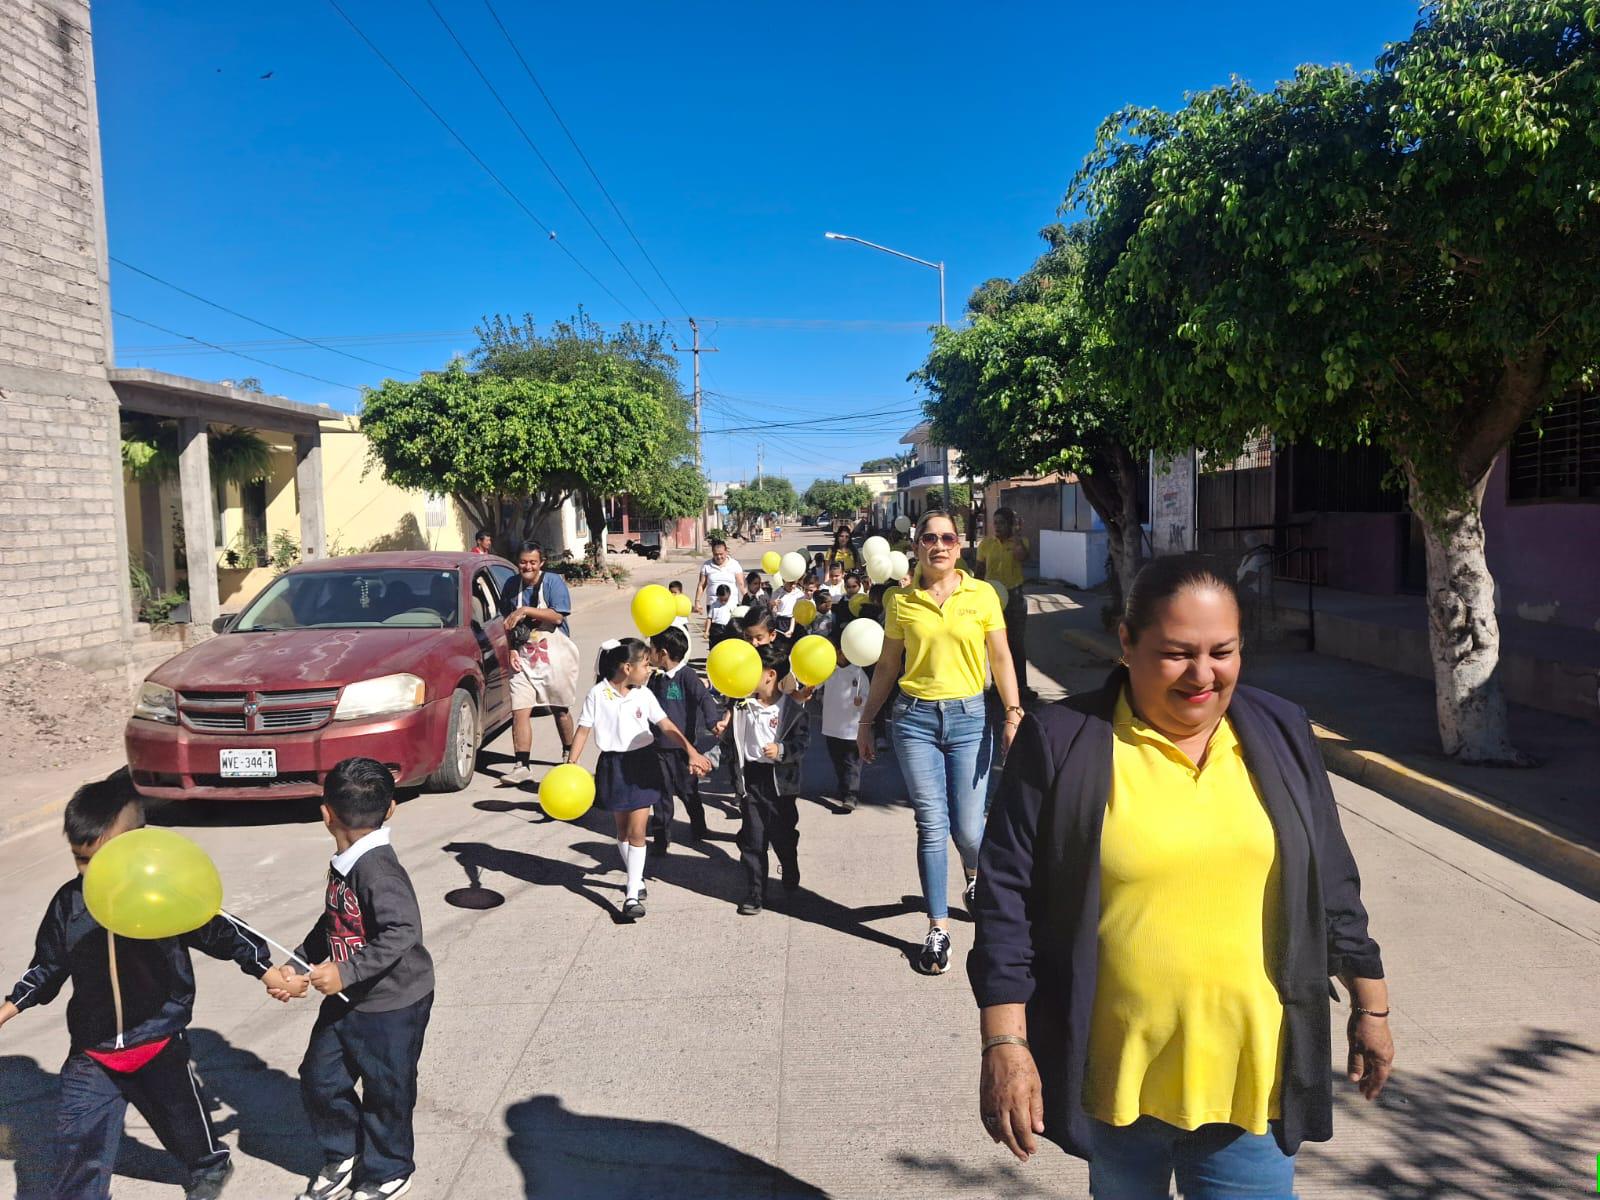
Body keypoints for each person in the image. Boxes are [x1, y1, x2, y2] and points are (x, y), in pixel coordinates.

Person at [970, 555, 1394, 1197]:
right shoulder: (1062, 740)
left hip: (1250, 1084)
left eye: (1222, 651)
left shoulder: (1279, 730)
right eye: (1176, 654)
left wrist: (1371, 1003)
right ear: (1126, 642)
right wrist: (1005, 1042)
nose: (1203, 675)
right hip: (1118, 1082)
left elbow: (1330, 877)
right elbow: (1007, 901)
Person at [0, 776, 275, 1200]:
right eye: (81, 860)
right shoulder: (69, 903)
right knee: (78, 1141)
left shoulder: (163, 894)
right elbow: (48, 964)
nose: (92, 873)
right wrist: (8, 1008)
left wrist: (263, 968)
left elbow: (218, 928)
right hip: (93, 1049)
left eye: (103, 860)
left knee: (180, 1118)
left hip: (157, 1037)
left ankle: (209, 1163)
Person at [858, 510, 1021, 976]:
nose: (939, 545)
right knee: (932, 825)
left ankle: (974, 875)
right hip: (914, 720)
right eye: (929, 538)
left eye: (947, 538)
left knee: (968, 830)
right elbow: (888, 665)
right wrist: (867, 720)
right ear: (916, 546)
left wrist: (1012, 714)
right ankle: (937, 928)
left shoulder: (982, 594)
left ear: (960, 545)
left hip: (970, 719)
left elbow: (1001, 658)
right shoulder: (901, 601)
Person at [264, 758, 435, 1200]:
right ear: (391, 808)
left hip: (393, 1004)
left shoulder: (377, 869)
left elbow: (403, 930)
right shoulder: (346, 863)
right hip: (347, 1001)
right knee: (319, 1077)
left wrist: (345, 971)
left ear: (326, 813)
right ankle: (344, 1152)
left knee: (387, 1091)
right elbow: (335, 920)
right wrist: (299, 963)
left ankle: (388, 1170)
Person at [566, 639, 712, 922]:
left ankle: (632, 893)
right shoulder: (598, 694)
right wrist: (570, 766)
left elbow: (666, 725)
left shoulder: (644, 694)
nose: (649, 669)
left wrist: (691, 751)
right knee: (622, 832)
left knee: (637, 832)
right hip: (613, 766)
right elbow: (583, 730)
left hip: (643, 764)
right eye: (645, 665)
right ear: (626, 667)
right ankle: (636, 877)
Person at [704, 643, 810, 916]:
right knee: (753, 840)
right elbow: (729, 743)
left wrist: (782, 750)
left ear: (770, 675)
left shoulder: (792, 710)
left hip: (780, 785)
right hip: (751, 781)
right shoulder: (742, 707)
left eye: (752, 669)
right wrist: (709, 760)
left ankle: (789, 864)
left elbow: (801, 744)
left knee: (783, 836)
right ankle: (755, 892)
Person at [499, 541, 576, 784]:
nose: (528, 567)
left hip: (553, 655)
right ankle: (521, 765)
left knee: (559, 708)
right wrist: (511, 650)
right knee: (520, 709)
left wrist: (525, 610)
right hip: (523, 655)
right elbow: (508, 623)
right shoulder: (511, 586)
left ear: (541, 562)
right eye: (523, 562)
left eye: (533, 562)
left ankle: (569, 753)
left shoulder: (553, 582)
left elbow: (557, 616)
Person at [647, 626, 726, 848]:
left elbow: (704, 699)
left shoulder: (687, 676)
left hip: (683, 749)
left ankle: (699, 829)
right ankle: (661, 838)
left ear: (663, 653)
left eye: (651, 649)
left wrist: (712, 723)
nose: (648, 653)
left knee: (688, 792)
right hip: (658, 748)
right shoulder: (655, 678)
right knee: (660, 794)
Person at [977, 507, 1034, 701]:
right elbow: (979, 570)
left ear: (1010, 524)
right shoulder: (986, 544)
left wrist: (1016, 534)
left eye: (1002, 523)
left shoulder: (1020, 542)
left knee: (1016, 643)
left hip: (1014, 597)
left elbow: (1021, 556)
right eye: (995, 523)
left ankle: (1022, 686)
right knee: (996, 643)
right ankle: (997, 684)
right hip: (992, 599)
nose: (997, 526)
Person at [816, 634, 866, 812]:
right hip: (832, 726)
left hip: (852, 727)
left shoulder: (858, 672)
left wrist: (862, 700)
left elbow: (867, 695)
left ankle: (851, 795)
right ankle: (844, 788)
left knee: (851, 762)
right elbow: (814, 684)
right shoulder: (828, 670)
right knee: (838, 761)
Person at [694, 537, 744, 614]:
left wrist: (747, 600)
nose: (719, 557)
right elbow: (701, 585)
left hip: (731, 605)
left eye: (721, 554)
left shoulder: (734, 564)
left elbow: (741, 584)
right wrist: (697, 601)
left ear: (726, 552)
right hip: (713, 605)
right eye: (716, 554)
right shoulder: (706, 565)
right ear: (712, 553)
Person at [705, 583, 736, 647]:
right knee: (714, 646)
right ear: (717, 595)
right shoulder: (714, 605)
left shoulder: (732, 605)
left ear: (729, 595)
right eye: (721, 600)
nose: (723, 602)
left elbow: (735, 618)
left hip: (727, 628)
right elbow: (709, 618)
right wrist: (706, 631)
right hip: (715, 629)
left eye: (726, 599)